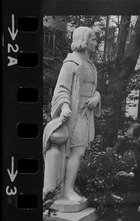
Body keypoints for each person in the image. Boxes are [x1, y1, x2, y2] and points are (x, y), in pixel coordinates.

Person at [43, 26, 101, 203]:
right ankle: (66, 190)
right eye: (93, 39)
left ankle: (68, 187)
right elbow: (61, 89)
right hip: (74, 114)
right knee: (76, 151)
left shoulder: (91, 65)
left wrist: (97, 97)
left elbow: (94, 89)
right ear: (84, 40)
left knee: (79, 152)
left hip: (86, 114)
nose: (96, 42)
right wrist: (65, 106)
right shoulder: (70, 64)